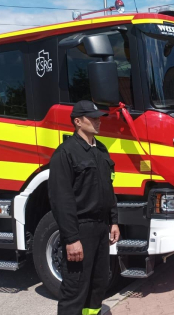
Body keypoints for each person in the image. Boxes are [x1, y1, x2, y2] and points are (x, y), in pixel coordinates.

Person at [48, 100, 120, 315]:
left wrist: (113, 220)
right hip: (80, 229)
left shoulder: (101, 150)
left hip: (100, 228)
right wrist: (71, 239)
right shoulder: (65, 153)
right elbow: (61, 200)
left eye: (98, 117)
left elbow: (109, 188)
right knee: (75, 287)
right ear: (77, 122)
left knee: (98, 284)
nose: (98, 121)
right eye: (92, 118)